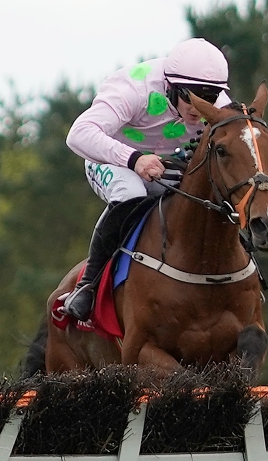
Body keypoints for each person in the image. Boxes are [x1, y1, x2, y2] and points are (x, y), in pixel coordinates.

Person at [60, 38, 234, 322]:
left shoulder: (220, 105)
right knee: (131, 192)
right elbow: (78, 134)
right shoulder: (133, 90)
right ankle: (88, 285)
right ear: (171, 86)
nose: (199, 107)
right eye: (190, 96)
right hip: (111, 158)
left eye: (209, 97)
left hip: (167, 162)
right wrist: (133, 159)